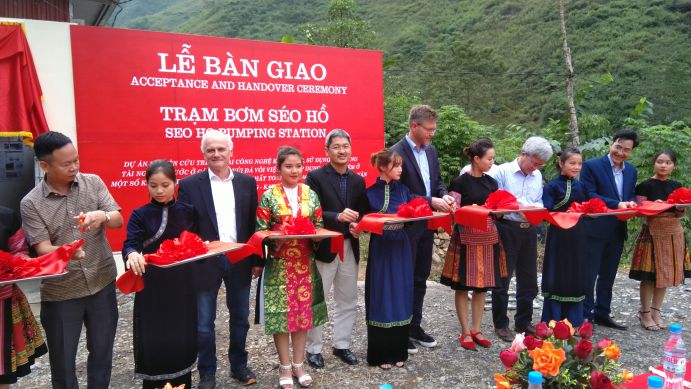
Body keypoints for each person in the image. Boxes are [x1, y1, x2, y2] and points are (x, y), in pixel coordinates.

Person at [19, 131, 122, 389]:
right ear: (45, 166)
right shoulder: (31, 203)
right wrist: (66, 251)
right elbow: (41, 246)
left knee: (102, 351)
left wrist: (103, 217)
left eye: (76, 160)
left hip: (102, 282)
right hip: (62, 291)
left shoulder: (93, 183)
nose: (75, 167)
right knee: (63, 361)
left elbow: (118, 219)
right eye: (67, 164)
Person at [178, 130, 259, 388]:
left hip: (239, 259)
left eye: (221, 149)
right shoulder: (190, 185)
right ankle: (207, 373)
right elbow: (185, 227)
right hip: (205, 262)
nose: (216, 154)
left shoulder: (247, 182)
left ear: (231, 152)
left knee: (239, 318)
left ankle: (238, 365)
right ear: (204, 154)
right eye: (210, 150)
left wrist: (257, 259)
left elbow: (252, 225)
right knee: (203, 323)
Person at [122, 160, 198, 389]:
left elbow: (199, 242)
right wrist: (132, 254)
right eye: (153, 185)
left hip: (183, 283)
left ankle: (182, 383)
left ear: (175, 183)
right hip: (153, 285)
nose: (159, 190)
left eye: (165, 184)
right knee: (155, 335)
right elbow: (130, 244)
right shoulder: (140, 214)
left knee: (181, 333)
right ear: (146, 186)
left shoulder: (188, 211)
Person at [256, 146, 327, 389]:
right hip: (279, 263)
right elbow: (260, 230)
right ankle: (284, 366)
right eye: (288, 166)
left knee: (302, 316)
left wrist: (318, 236)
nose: (294, 170)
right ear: (279, 169)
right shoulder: (269, 195)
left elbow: (318, 224)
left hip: (305, 263)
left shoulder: (311, 194)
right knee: (281, 317)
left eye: (298, 165)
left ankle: (299, 364)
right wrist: (275, 237)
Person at [390, 104, 455, 353]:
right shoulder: (396, 152)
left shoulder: (431, 151)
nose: (432, 134)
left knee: (420, 278)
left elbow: (436, 182)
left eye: (434, 129)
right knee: (404, 278)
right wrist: (430, 201)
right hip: (405, 227)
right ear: (414, 126)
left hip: (426, 225)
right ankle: (401, 328)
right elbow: (400, 193)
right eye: (428, 129)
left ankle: (415, 325)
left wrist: (444, 196)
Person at [305, 129, 367, 369]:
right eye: (336, 147)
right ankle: (313, 349)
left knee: (348, 298)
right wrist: (338, 216)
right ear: (327, 151)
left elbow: (361, 213)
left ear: (351, 149)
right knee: (317, 300)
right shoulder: (315, 177)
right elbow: (313, 213)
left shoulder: (358, 180)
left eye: (345, 146)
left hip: (349, 245)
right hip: (326, 247)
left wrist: (358, 226)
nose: (342, 151)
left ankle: (342, 345)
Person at [488, 136, 553, 342]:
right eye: (534, 163)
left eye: (540, 165)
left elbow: (538, 200)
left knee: (529, 278)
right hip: (507, 227)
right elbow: (495, 202)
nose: (535, 169)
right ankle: (501, 323)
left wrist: (534, 210)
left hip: (529, 229)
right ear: (523, 154)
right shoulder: (502, 172)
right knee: (502, 278)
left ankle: (523, 321)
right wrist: (518, 208)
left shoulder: (537, 175)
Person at [441, 138, 501, 350]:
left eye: (493, 158)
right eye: (489, 158)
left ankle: (477, 328)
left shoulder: (492, 183)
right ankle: (465, 331)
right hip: (466, 238)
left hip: (488, 238)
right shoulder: (459, 183)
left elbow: (497, 209)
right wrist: (470, 210)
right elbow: (452, 212)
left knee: (482, 287)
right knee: (463, 286)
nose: (492, 162)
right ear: (476, 159)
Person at [580, 129, 639, 330]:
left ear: (631, 152)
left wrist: (630, 204)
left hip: (617, 229)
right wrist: (617, 204)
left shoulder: (631, 170)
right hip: (594, 228)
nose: (621, 152)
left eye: (626, 150)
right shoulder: (592, 165)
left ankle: (602, 313)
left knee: (608, 275)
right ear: (611, 143)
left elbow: (629, 195)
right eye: (618, 147)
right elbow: (589, 194)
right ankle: (585, 317)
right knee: (589, 275)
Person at [363, 148, 414, 369]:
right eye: (397, 165)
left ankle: (399, 350)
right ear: (383, 167)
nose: (401, 169)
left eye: (401, 165)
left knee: (401, 293)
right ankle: (381, 353)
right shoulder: (369, 193)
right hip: (381, 248)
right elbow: (362, 222)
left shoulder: (404, 191)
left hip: (401, 246)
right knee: (382, 294)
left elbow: (413, 217)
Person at [629, 150, 690, 331]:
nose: (663, 165)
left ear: (673, 166)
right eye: (660, 162)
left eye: (668, 162)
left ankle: (656, 311)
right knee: (649, 276)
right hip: (652, 231)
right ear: (654, 163)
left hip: (674, 232)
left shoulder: (677, 186)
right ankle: (645, 312)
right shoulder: (644, 185)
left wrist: (680, 208)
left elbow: (680, 213)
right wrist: (655, 206)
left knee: (667, 274)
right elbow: (640, 210)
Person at [0, 206, 48, 387]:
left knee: (2, 368)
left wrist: (23, 264)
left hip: (3, 300)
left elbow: (19, 251)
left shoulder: (6, 216)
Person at [540, 148, 588, 327]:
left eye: (579, 164)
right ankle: (554, 319)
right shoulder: (552, 186)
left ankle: (574, 319)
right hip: (559, 236)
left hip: (578, 235)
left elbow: (589, 207)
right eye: (572, 163)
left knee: (575, 272)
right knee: (557, 273)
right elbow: (547, 210)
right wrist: (564, 213)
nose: (576, 167)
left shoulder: (581, 186)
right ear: (561, 164)